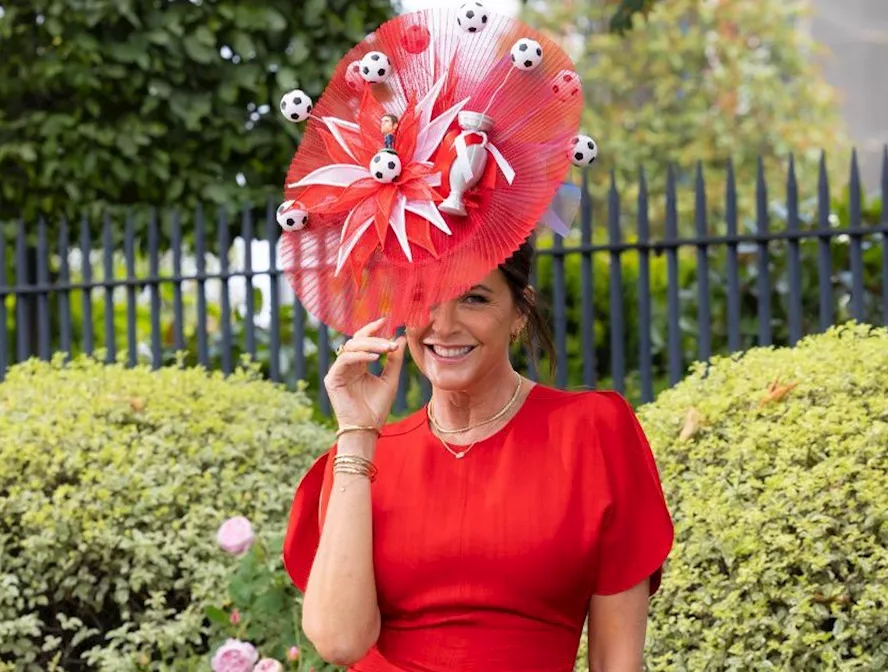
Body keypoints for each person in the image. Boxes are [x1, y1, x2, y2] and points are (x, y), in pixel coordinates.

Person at [282, 240, 675, 670]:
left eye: (474, 298)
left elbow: (615, 662)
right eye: (422, 299)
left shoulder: (592, 432)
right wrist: (357, 433)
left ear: (519, 312)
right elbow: (340, 643)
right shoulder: (361, 457)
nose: (443, 326)